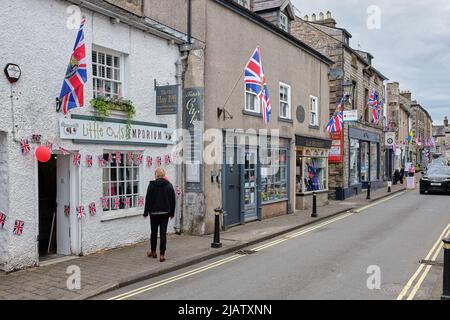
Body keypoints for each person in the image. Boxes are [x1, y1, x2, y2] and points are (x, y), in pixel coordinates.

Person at [143, 168, 176, 262]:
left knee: (153, 233)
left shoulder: (152, 185)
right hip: (165, 213)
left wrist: (145, 212)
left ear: (156, 175)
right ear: (164, 175)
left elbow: (148, 199)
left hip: (153, 213)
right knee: (163, 233)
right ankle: (162, 255)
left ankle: (153, 251)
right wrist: (172, 213)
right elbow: (172, 200)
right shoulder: (169, 185)